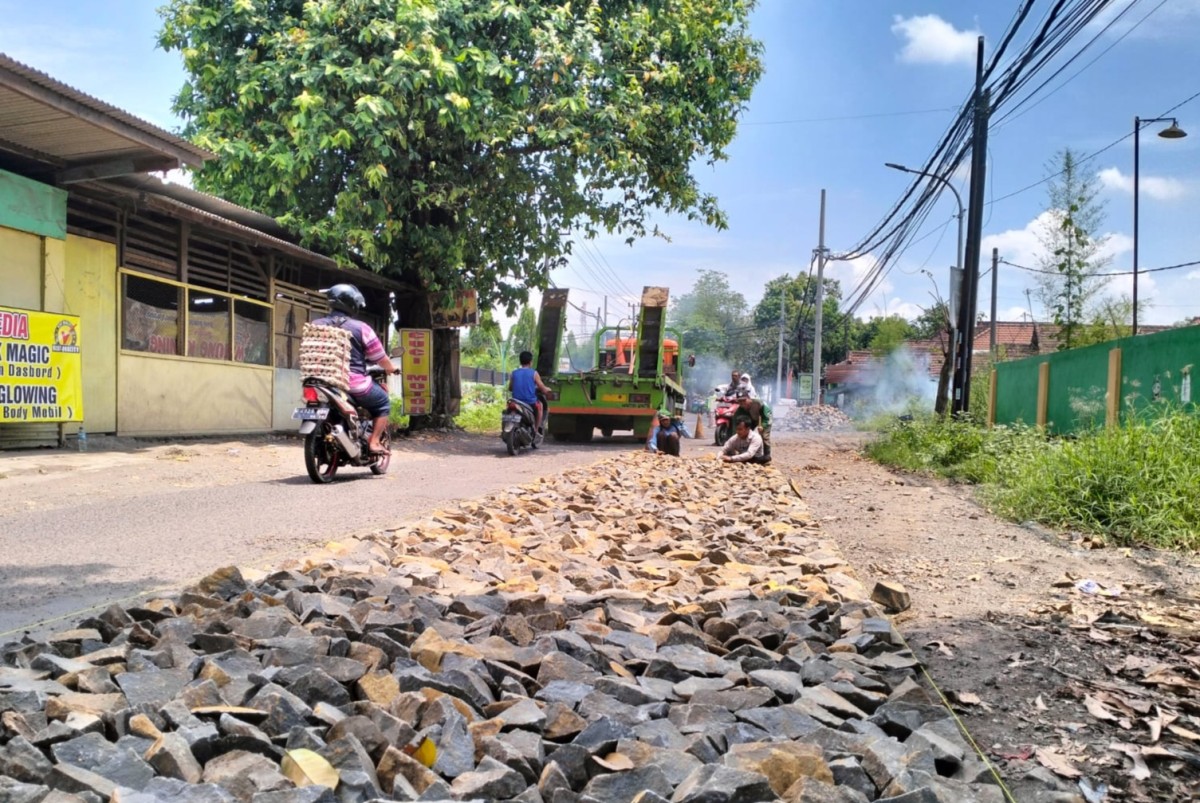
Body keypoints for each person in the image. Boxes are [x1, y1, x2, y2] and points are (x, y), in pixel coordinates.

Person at [312, 284, 399, 456]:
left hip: (320, 381)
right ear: (352, 305)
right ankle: (374, 442)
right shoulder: (361, 328)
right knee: (382, 403)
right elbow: (380, 358)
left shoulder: (315, 325)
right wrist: (391, 368)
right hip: (351, 383)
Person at [509, 350, 551, 432]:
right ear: (530, 362)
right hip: (530, 402)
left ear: (520, 361)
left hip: (516, 401)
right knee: (540, 406)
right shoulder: (534, 373)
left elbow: (510, 388)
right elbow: (542, 388)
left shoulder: (514, 373)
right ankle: (535, 429)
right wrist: (548, 390)